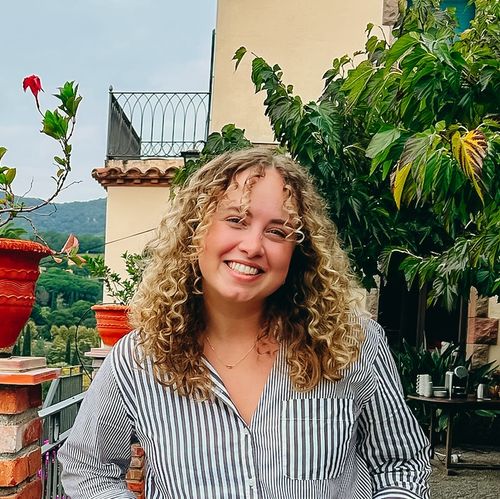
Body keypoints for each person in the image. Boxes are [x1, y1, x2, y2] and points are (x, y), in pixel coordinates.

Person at [59, 148, 430, 498]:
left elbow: (400, 463)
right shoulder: (141, 359)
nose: (253, 246)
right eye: (236, 220)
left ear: (298, 251)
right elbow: (86, 468)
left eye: (277, 231)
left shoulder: (351, 344)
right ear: (196, 230)